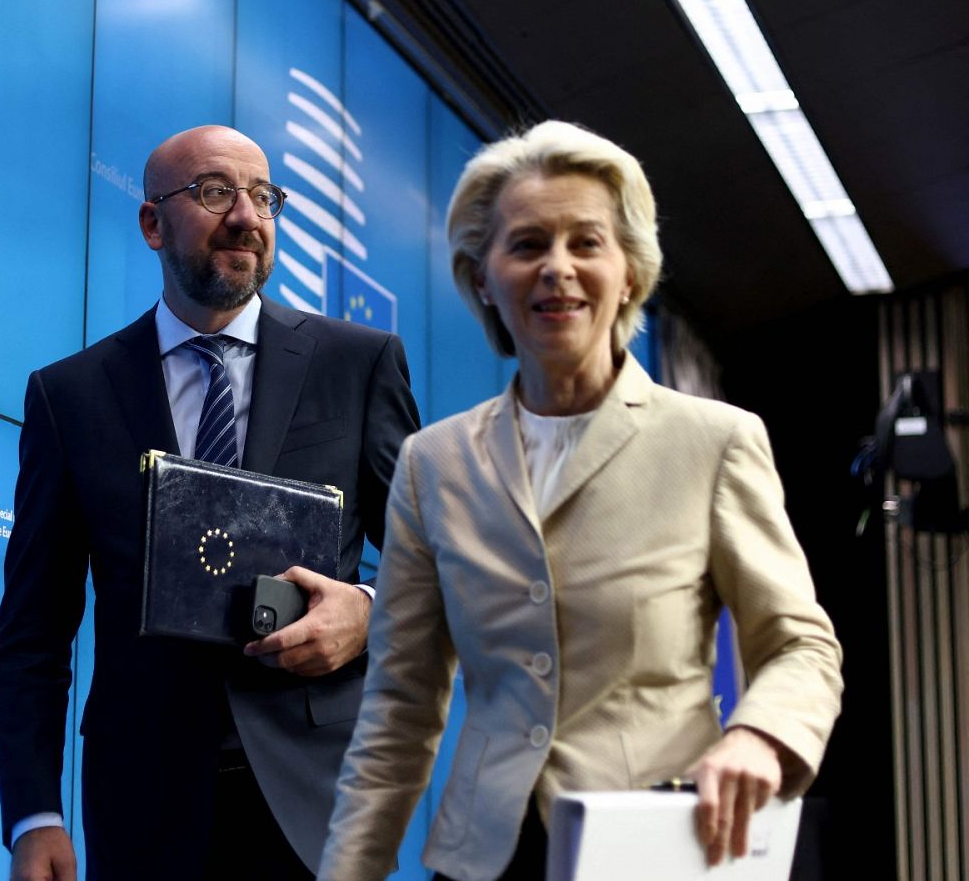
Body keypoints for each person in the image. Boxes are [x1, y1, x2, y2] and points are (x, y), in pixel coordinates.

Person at [317, 121, 844, 881]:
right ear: (484, 277)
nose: (557, 268)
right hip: (487, 861)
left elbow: (800, 644)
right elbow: (399, 706)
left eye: (586, 243)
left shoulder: (714, 442)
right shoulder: (432, 465)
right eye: (527, 245)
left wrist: (760, 736)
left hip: (662, 846)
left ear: (629, 272)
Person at [0, 125, 421, 880]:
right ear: (152, 223)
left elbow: (434, 565)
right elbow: (34, 627)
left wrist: (367, 608)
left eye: (264, 197)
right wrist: (35, 814)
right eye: (215, 192)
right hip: (142, 798)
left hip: (317, 796)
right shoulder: (71, 396)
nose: (247, 216)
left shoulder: (357, 365)